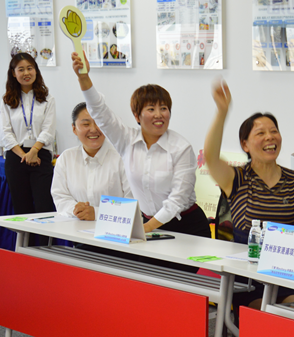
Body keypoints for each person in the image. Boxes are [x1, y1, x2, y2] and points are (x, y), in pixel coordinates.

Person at [203, 79, 294, 309]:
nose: (270, 137)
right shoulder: (236, 178)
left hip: (285, 269)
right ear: (245, 145)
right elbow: (211, 157)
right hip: (247, 277)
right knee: (265, 314)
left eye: (274, 131)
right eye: (261, 133)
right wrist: (222, 112)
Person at [71, 51, 209, 238]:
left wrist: (145, 229)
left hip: (186, 227)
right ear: (137, 116)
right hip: (147, 224)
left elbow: (177, 200)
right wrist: (84, 77)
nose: (159, 115)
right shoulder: (127, 140)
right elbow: (100, 112)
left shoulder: (181, 147)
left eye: (164, 108)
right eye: (151, 109)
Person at [0, 53, 57, 223]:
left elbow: (48, 130)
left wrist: (34, 151)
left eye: (30, 68)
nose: (26, 73)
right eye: (21, 69)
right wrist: (24, 155)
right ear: (13, 73)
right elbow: (5, 132)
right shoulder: (7, 100)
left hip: (41, 155)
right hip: (16, 157)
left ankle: (46, 248)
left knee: (43, 206)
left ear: (36, 71)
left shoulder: (47, 99)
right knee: (21, 208)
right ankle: (25, 248)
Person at [51, 102, 132, 219]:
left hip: (114, 231)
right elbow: (61, 197)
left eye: (99, 123)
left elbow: (132, 202)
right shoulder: (66, 158)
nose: (93, 129)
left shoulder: (123, 157)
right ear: (74, 128)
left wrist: (98, 213)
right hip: (75, 229)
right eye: (86, 124)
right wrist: (78, 210)